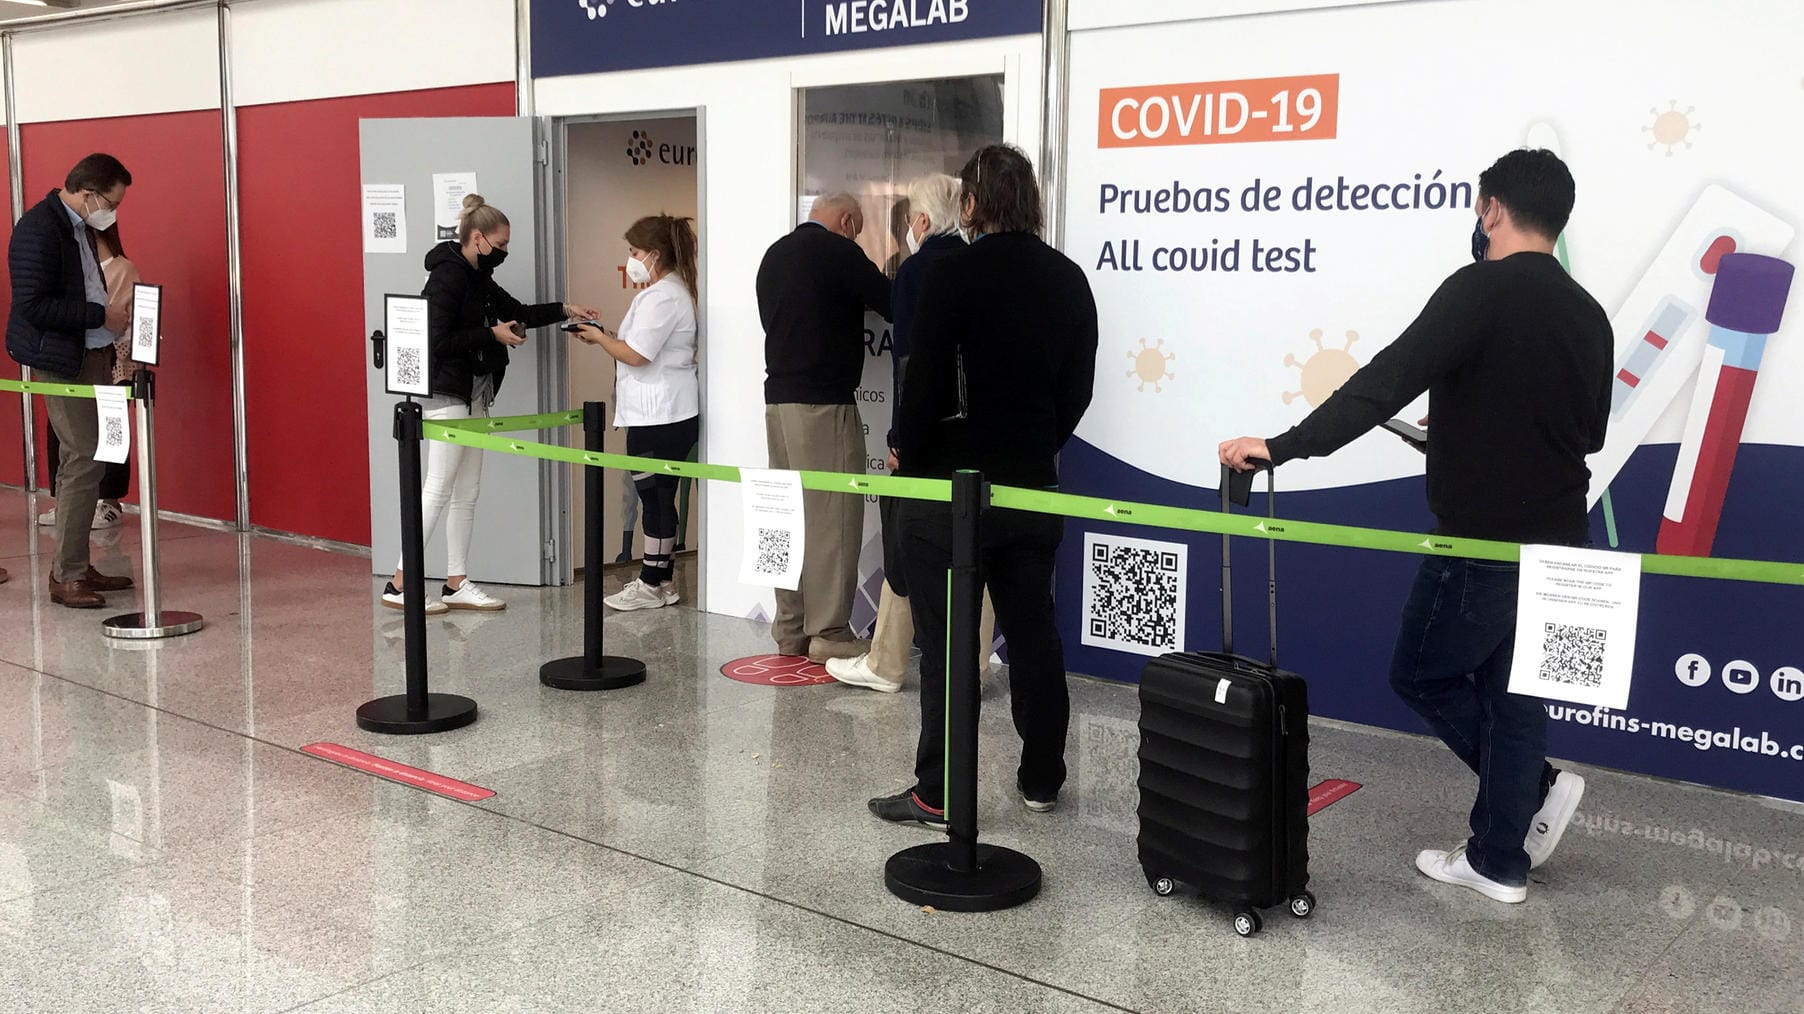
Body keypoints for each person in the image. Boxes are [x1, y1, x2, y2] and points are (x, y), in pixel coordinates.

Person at [1219, 148, 1610, 904]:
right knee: (1518, 697)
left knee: (1419, 672)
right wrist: (1466, 420)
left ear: (1489, 208)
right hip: (1566, 541)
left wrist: (1283, 447)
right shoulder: (1587, 312)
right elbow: (1584, 432)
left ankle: (1535, 789)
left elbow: (1383, 381)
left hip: (1483, 541)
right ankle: (1500, 862)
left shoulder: (1478, 288)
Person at [869, 145, 1098, 827]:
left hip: (949, 492)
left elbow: (924, 381)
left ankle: (938, 791)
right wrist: (1032, 445)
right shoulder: (1069, 279)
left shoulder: (953, 275)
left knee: (947, 645)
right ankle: (1042, 778)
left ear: (970, 205)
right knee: (1033, 633)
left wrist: (905, 451)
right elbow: (1075, 392)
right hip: (1031, 487)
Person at [385, 194, 601, 615]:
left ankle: (456, 581)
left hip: (477, 393)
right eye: (500, 245)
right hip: (449, 393)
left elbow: (515, 311)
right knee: (438, 487)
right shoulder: (448, 277)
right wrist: (492, 336)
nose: (504, 252)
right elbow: (436, 340)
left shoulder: (477, 277)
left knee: (467, 491)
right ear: (479, 239)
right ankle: (400, 583)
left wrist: (564, 310)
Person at [825, 175, 996, 695]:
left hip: (926, 437)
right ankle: (975, 665)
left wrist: (901, 437)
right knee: (974, 548)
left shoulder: (918, 272)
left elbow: (911, 366)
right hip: (979, 437)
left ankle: (887, 662)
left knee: (904, 542)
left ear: (921, 221)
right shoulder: (981, 266)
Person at [755, 193, 892, 662]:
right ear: (848, 220)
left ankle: (789, 629)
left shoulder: (773, 255)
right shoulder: (840, 253)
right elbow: (893, 302)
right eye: (858, 227)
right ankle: (830, 632)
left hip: (777, 401)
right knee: (831, 518)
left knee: (783, 517)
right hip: (824, 403)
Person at [6, 153, 139, 604]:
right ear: (88, 193)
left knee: (93, 457)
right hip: (64, 358)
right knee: (83, 457)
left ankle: (78, 564)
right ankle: (67, 575)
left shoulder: (79, 227)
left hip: (94, 352)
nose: (113, 212)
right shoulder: (38, 229)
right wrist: (102, 314)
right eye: (111, 202)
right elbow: (33, 305)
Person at [575, 214, 701, 611]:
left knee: (654, 497)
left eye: (634, 252)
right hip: (665, 410)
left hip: (658, 414)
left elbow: (638, 355)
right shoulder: (670, 292)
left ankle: (650, 580)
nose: (630, 259)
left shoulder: (662, 296)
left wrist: (599, 339)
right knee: (660, 496)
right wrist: (607, 336)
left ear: (654, 254)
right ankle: (661, 580)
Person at [39, 221, 139, 532]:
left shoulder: (123, 269)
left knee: (109, 430)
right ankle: (66, 500)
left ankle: (108, 500)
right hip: (69, 361)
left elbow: (127, 320)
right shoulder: (68, 272)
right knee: (62, 431)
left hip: (109, 360)